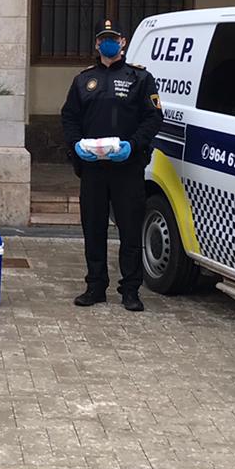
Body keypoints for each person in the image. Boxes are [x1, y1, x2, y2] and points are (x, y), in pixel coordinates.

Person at [61, 19, 164, 312]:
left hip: (127, 167)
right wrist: (77, 145)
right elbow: (69, 117)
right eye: (103, 38)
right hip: (93, 168)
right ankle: (95, 287)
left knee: (130, 230)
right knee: (93, 229)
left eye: (114, 38)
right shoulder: (83, 80)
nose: (108, 43)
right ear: (97, 44)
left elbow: (154, 118)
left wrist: (133, 145)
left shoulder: (140, 79)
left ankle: (130, 290)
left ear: (123, 42)